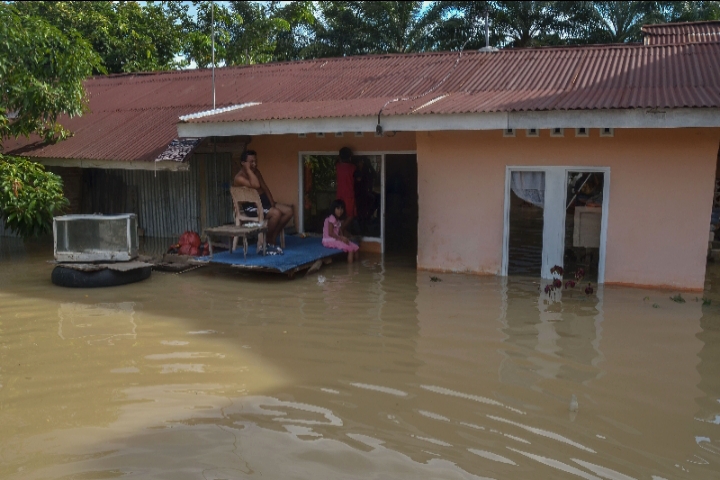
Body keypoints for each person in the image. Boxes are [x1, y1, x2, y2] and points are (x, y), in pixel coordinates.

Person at [233, 150, 293, 255]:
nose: (254, 164)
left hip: (263, 202)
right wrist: (248, 169)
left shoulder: (256, 172)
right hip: (252, 206)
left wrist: (272, 203)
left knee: (288, 211)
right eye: (251, 162)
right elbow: (256, 185)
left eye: (255, 161)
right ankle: (266, 240)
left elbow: (265, 188)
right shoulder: (239, 178)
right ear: (243, 163)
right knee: (276, 213)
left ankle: (272, 236)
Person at [322, 199, 359, 263]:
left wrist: (344, 238)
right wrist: (341, 238)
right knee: (350, 250)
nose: (340, 211)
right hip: (329, 240)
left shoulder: (338, 220)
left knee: (356, 247)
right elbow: (330, 233)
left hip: (336, 239)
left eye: (342, 209)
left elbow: (339, 231)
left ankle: (357, 266)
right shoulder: (331, 218)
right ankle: (351, 270)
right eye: (338, 208)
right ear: (334, 209)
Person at [336, 147, 356, 235]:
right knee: (350, 215)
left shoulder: (338, 167)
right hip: (349, 195)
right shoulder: (353, 168)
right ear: (350, 157)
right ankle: (341, 229)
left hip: (339, 194)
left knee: (341, 215)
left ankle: (342, 231)